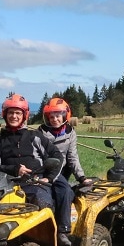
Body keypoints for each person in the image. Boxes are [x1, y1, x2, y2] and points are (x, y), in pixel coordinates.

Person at [0, 93, 69, 246]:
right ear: (5, 115)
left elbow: (57, 156)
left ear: (24, 115)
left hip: (35, 183)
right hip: (6, 186)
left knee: (42, 201)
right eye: (11, 112)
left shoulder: (34, 137)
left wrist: (49, 178)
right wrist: (14, 169)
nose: (14, 116)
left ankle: (53, 240)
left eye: (18, 113)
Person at [38, 98, 92, 237]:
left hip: (61, 170)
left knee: (65, 192)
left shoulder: (70, 132)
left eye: (57, 116)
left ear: (65, 115)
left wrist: (81, 177)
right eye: (51, 116)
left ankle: (64, 230)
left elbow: (73, 157)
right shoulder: (41, 132)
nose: (54, 119)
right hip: (44, 169)